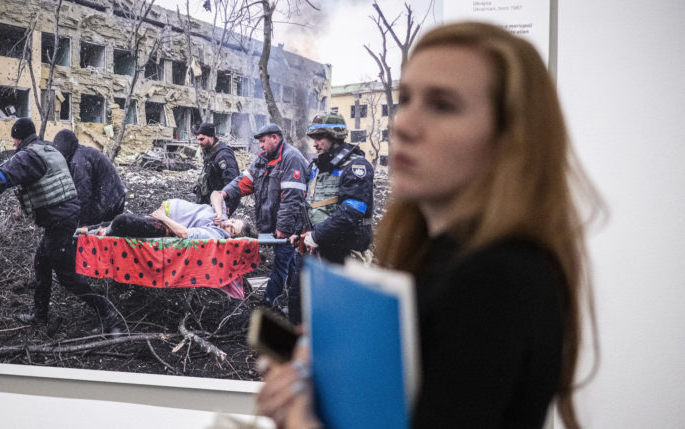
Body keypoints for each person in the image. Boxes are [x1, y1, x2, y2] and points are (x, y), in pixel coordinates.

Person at [256, 22, 601, 429]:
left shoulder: (496, 280)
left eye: (442, 105)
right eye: (407, 100)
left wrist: (301, 415)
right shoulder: (443, 257)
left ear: (511, 138)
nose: (403, 125)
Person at [0, 118, 119, 334]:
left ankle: (106, 312)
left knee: (66, 275)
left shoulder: (28, 156)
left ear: (19, 139)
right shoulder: (48, 149)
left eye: (14, 140)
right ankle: (40, 316)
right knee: (41, 262)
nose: (13, 144)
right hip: (64, 217)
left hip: (59, 221)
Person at [285, 111, 374, 323]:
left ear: (335, 136)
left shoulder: (356, 167)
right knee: (297, 301)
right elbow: (308, 203)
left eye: (319, 138)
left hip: (342, 251)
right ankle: (301, 349)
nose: (314, 144)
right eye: (313, 138)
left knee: (338, 313)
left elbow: (352, 212)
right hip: (313, 248)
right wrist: (299, 231)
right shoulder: (315, 167)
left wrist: (316, 236)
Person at [215, 123, 309, 307]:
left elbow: (292, 199)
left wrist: (283, 227)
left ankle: (269, 302)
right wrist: (225, 193)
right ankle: (293, 297)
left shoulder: (292, 158)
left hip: (291, 224)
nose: (261, 145)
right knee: (287, 261)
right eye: (259, 142)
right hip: (274, 223)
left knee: (281, 262)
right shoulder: (262, 160)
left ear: (275, 137)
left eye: (264, 141)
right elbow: (244, 181)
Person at [79, 195, 256, 241]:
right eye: (232, 222)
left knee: (122, 221)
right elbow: (216, 194)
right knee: (118, 221)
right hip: (163, 216)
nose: (228, 224)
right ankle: (87, 230)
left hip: (164, 226)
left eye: (232, 230)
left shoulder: (216, 235)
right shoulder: (221, 217)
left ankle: (100, 234)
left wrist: (164, 218)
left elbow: (184, 233)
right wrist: (218, 212)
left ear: (231, 237)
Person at [52, 129, 126, 226]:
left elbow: (83, 195)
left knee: (92, 230)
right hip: (114, 195)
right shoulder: (81, 153)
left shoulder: (78, 162)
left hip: (110, 200)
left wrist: (82, 225)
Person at [193, 122, 240, 213]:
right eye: (198, 139)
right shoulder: (210, 151)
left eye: (202, 139)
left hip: (221, 202)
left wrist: (227, 204)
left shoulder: (223, 155)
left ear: (211, 137)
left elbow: (231, 181)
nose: (199, 142)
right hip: (210, 200)